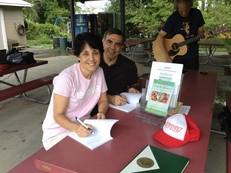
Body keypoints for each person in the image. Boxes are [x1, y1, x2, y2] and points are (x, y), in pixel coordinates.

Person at [42, 32, 108, 150]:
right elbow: (58, 115)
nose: (92, 59)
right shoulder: (66, 78)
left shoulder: (99, 72)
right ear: (78, 56)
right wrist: (76, 129)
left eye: (96, 53)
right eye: (85, 54)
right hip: (57, 133)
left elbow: (103, 100)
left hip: (85, 127)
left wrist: (101, 111)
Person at [90, 28, 141, 116]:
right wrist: (110, 98)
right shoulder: (91, 62)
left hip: (120, 110)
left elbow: (134, 83)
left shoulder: (129, 65)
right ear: (103, 42)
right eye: (109, 42)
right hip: (92, 110)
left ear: (121, 47)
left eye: (117, 44)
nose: (113, 47)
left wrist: (130, 89)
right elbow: (84, 92)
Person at [156, 0, 211, 70]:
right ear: (177, 8)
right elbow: (160, 36)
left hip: (192, 55)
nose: (184, 13)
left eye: (187, 10)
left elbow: (200, 33)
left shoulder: (197, 14)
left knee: (193, 78)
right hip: (176, 56)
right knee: (177, 80)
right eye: (181, 11)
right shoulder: (173, 17)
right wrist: (167, 56)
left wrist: (204, 34)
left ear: (190, 6)